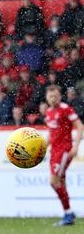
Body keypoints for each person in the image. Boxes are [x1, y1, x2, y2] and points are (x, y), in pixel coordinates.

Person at [44, 85, 83, 226]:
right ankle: (68, 214)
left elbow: (79, 126)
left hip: (64, 150)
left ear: (60, 96)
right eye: (50, 96)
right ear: (46, 98)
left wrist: (76, 146)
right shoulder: (48, 112)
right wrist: (43, 147)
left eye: (55, 96)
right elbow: (51, 134)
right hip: (54, 151)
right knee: (60, 182)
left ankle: (68, 213)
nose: (52, 99)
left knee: (54, 182)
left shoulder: (66, 109)